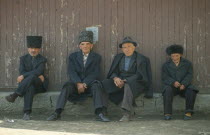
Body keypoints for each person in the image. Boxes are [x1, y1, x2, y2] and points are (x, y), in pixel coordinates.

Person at [46, 30, 110, 122]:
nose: (85, 46)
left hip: (89, 85)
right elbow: (71, 71)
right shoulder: (73, 56)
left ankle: (99, 113)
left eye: (88, 44)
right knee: (67, 86)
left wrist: (84, 84)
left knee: (97, 85)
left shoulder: (96, 57)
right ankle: (57, 112)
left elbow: (95, 73)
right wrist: (78, 83)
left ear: (91, 46)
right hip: (76, 84)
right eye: (83, 44)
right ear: (79, 46)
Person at [101, 37, 153, 122]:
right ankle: (103, 110)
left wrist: (126, 81)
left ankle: (127, 113)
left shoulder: (141, 59)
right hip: (119, 81)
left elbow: (140, 74)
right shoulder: (118, 57)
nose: (127, 49)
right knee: (103, 84)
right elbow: (113, 71)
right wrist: (115, 78)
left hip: (136, 82)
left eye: (129, 46)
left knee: (128, 84)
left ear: (134, 47)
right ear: (122, 49)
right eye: (124, 47)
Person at [5, 36, 48, 120]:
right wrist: (28, 74)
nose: (33, 50)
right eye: (31, 48)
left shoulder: (42, 59)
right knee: (30, 87)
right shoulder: (23, 59)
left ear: (39, 49)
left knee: (32, 77)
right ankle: (27, 113)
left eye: (36, 48)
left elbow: (38, 71)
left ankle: (15, 94)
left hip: (39, 84)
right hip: (28, 84)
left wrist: (24, 76)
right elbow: (22, 71)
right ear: (28, 48)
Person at [162, 44, 198, 120]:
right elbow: (165, 77)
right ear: (170, 56)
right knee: (167, 90)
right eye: (172, 56)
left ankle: (188, 112)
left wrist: (184, 84)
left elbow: (189, 75)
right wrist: (173, 82)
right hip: (172, 87)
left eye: (177, 56)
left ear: (181, 55)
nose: (174, 58)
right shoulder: (166, 65)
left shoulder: (187, 63)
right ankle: (167, 113)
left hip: (185, 87)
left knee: (192, 90)